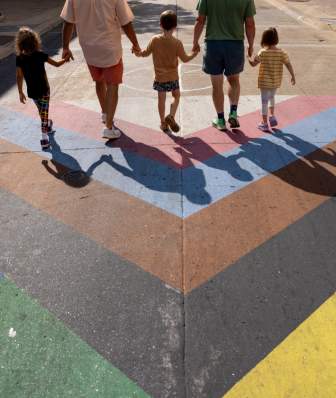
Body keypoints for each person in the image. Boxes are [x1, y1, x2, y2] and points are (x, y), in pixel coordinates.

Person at [61, 0, 141, 140]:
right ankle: (109, 127)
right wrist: (135, 43)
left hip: (88, 47)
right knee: (113, 85)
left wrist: (66, 47)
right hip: (109, 46)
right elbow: (125, 22)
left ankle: (105, 112)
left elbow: (68, 22)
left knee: (99, 81)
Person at [193, 0, 256, 131]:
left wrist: (195, 42)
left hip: (213, 44)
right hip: (235, 45)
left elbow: (200, 20)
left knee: (217, 85)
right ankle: (233, 112)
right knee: (234, 81)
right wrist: (250, 45)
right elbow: (250, 24)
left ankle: (220, 120)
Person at [137, 10, 198, 134]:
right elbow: (185, 59)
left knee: (161, 100)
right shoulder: (177, 43)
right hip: (173, 76)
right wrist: (194, 53)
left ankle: (163, 123)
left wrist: (137, 52)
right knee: (176, 96)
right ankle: (171, 115)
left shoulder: (155, 40)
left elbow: (145, 53)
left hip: (160, 78)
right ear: (175, 27)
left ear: (160, 25)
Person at [15, 27, 69, 150]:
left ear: (20, 44)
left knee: (42, 112)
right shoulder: (40, 55)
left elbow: (19, 76)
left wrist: (20, 92)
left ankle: (48, 125)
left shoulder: (20, 58)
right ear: (35, 41)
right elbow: (56, 64)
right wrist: (65, 59)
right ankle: (44, 138)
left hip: (32, 91)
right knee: (43, 112)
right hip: (44, 90)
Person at [249, 27, 296, 132]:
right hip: (275, 81)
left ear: (264, 39)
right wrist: (293, 75)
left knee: (264, 102)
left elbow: (253, 64)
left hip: (264, 82)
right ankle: (272, 116)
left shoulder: (262, 52)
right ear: (276, 39)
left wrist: (248, 57)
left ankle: (264, 123)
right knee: (272, 98)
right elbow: (288, 64)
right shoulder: (282, 53)